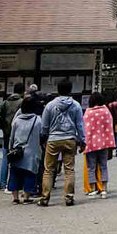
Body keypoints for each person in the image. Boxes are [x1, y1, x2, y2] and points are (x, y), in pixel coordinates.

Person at [38, 78, 86, 207]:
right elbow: (80, 125)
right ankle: (69, 197)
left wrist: (43, 138)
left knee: (49, 170)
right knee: (69, 169)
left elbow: (44, 126)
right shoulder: (76, 105)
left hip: (53, 139)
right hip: (70, 139)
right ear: (70, 90)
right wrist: (82, 141)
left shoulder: (50, 105)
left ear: (58, 89)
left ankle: (45, 197)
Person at [7, 94, 42, 204]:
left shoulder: (17, 120)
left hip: (17, 150)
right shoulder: (38, 120)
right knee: (30, 174)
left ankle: (15, 197)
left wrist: (10, 148)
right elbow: (41, 135)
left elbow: (11, 136)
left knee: (14, 174)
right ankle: (26, 197)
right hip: (32, 151)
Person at [83, 92, 115, 198]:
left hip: (91, 144)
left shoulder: (88, 113)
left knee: (91, 168)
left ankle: (92, 189)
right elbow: (109, 128)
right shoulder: (106, 112)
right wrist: (111, 145)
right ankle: (104, 189)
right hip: (104, 143)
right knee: (103, 167)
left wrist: (82, 144)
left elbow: (85, 130)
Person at [0, 81, 25, 192]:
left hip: (6, 134)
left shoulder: (5, 102)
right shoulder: (22, 102)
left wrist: (3, 127)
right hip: (19, 134)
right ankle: (17, 184)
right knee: (19, 159)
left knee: (5, 159)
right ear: (22, 91)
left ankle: (3, 184)